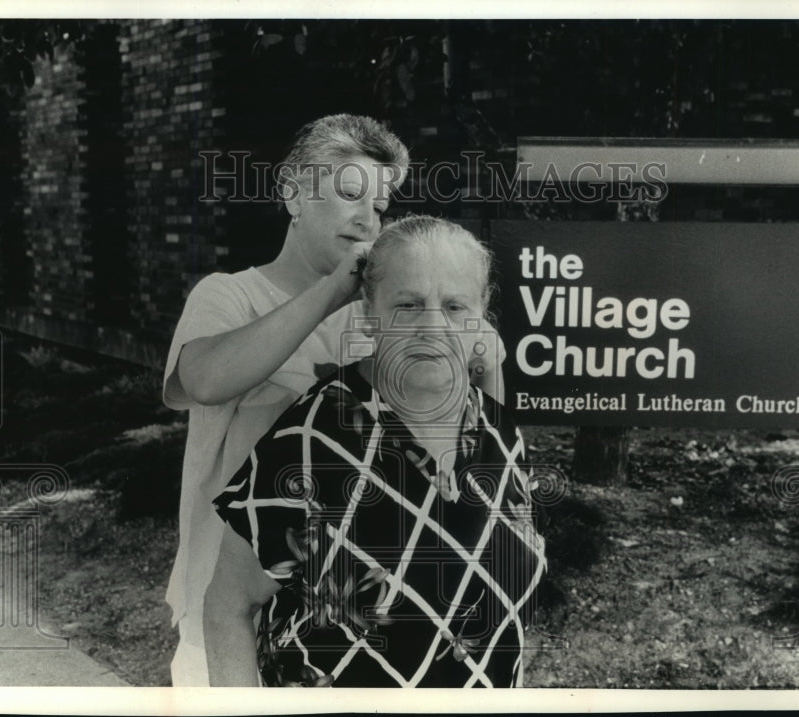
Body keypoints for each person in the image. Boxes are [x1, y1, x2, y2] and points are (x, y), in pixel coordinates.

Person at [206, 215, 546, 687]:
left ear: (481, 312)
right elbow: (228, 609)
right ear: (369, 312)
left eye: (454, 305)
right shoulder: (311, 441)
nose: (433, 327)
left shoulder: (499, 432)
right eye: (408, 304)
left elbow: (508, 616)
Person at [162, 114, 410, 686]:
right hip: (227, 611)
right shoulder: (228, 294)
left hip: (342, 611)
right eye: (351, 193)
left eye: (380, 206)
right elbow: (201, 381)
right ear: (293, 193)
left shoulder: (377, 321)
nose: (368, 217)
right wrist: (332, 290)